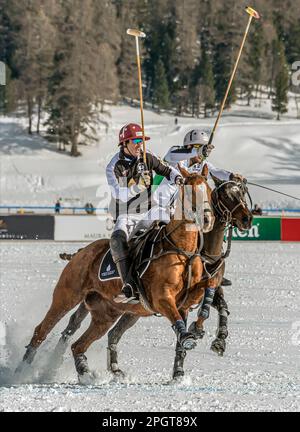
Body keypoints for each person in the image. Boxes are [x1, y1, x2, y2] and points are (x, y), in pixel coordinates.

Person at [153, 128, 246, 287]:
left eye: (204, 148)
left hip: (185, 209)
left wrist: (232, 176)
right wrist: (198, 151)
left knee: (210, 226)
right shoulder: (175, 157)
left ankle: (211, 267)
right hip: (161, 204)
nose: (202, 152)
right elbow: (170, 156)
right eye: (197, 147)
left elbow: (216, 171)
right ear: (188, 147)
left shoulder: (202, 164)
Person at [106, 123, 183, 304]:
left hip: (150, 210)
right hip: (126, 214)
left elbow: (166, 169)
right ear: (124, 143)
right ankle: (129, 285)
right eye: (136, 141)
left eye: (142, 140)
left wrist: (177, 177)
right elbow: (118, 194)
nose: (140, 144)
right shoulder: (114, 166)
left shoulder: (147, 157)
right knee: (117, 240)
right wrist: (138, 187)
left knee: (177, 226)